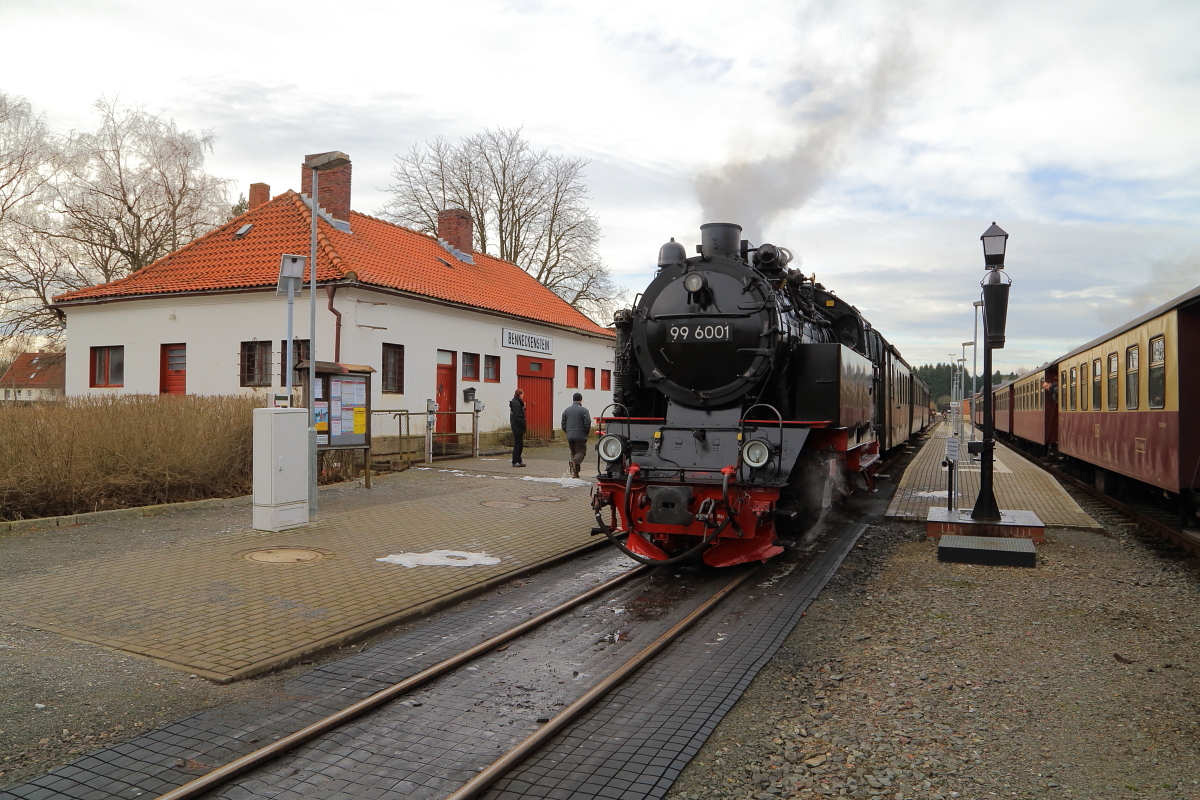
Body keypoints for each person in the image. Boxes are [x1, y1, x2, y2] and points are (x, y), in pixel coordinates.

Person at [561, 392, 592, 478]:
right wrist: (586, 432)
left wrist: (568, 431)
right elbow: (587, 423)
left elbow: (563, 424)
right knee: (581, 452)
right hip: (580, 435)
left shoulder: (566, 410)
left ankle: (575, 473)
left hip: (570, 435)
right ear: (581, 400)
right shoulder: (584, 410)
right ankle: (574, 463)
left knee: (574, 453)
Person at [509, 388, 527, 467]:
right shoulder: (516, 403)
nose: (523, 395)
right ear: (520, 394)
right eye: (522, 394)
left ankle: (518, 459)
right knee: (518, 443)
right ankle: (515, 460)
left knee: (520, 443)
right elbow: (518, 416)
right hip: (517, 426)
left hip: (517, 425)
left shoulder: (517, 402)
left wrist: (523, 408)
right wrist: (523, 424)